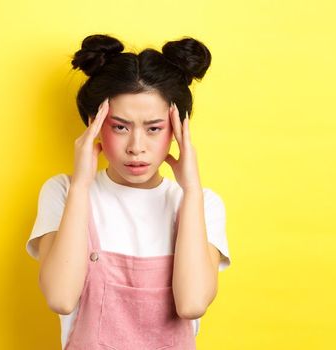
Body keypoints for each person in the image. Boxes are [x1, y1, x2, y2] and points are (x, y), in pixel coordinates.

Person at [25, 34, 232, 349]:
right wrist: (81, 184)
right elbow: (60, 298)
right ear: (95, 124)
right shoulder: (64, 192)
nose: (137, 148)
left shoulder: (202, 204)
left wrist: (191, 192)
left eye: (154, 128)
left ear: (178, 131)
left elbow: (191, 305)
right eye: (120, 126)